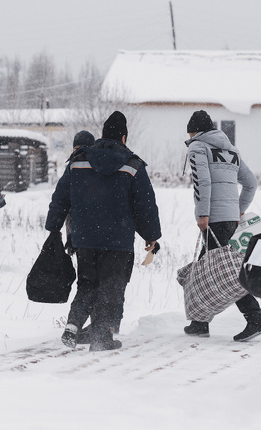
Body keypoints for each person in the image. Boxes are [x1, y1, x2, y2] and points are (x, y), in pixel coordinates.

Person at [46, 111, 162, 351]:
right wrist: (151, 236)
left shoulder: (78, 161)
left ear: (101, 135)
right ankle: (101, 338)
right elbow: (144, 205)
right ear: (123, 138)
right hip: (118, 241)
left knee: (87, 283)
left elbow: (60, 198)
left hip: (85, 238)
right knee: (111, 286)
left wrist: (53, 228)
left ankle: (73, 324)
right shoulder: (133, 165)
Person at [183, 110, 261, 342]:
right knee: (209, 268)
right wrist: (239, 209)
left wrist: (202, 214)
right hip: (230, 219)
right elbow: (251, 184)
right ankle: (200, 322)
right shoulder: (231, 150)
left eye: (190, 133)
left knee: (225, 272)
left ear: (196, 132)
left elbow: (202, 181)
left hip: (213, 219)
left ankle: (256, 318)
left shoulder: (198, 147)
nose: (189, 137)